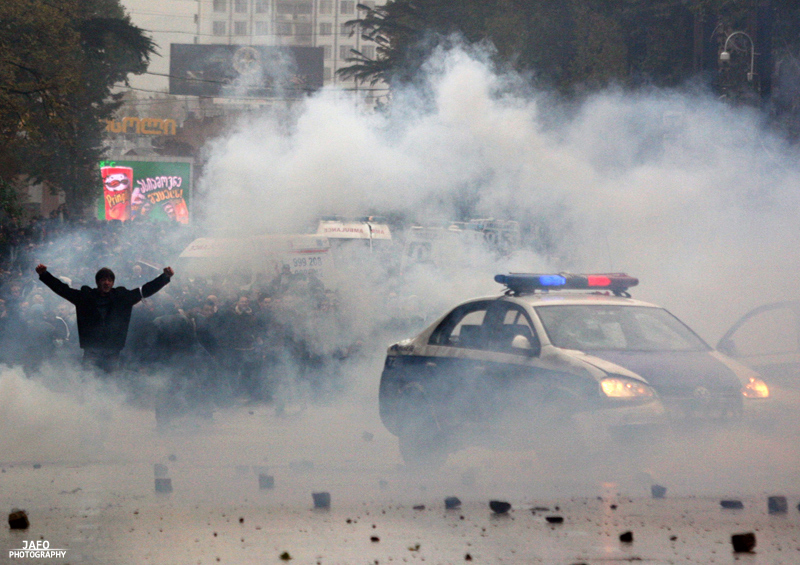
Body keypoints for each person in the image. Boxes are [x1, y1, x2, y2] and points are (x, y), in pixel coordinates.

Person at [35, 263, 174, 373]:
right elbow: (62, 289)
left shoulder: (122, 297)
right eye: (103, 279)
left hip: (112, 352)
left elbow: (145, 290)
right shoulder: (85, 297)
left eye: (109, 280)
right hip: (91, 351)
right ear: (97, 282)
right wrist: (45, 275)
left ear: (113, 282)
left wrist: (164, 278)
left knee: (111, 386)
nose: (106, 283)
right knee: (89, 383)